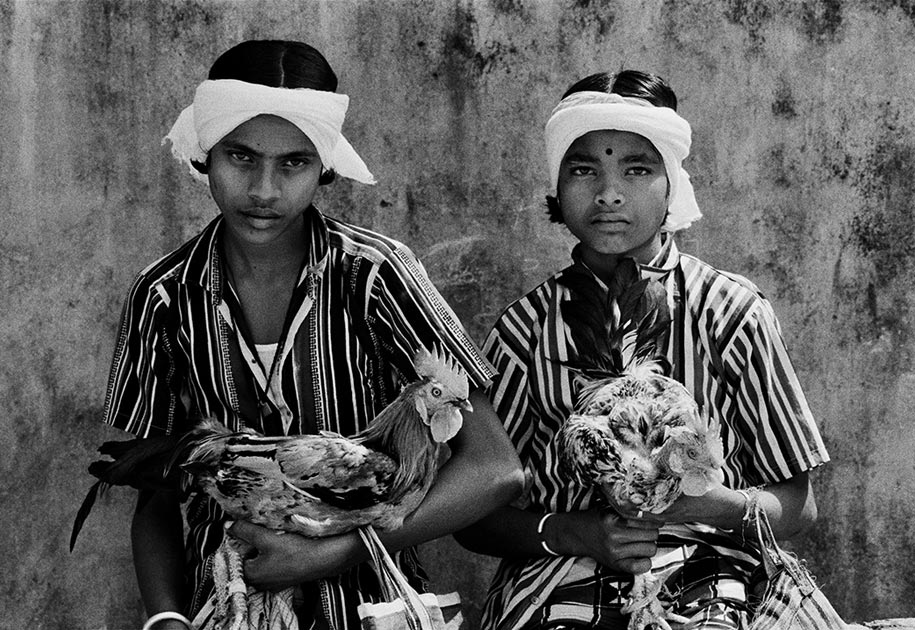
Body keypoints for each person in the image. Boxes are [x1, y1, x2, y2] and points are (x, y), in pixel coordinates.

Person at [102, 39, 524, 630]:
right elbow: (155, 489)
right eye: (241, 157)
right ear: (206, 153)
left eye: (293, 163)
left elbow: (494, 468)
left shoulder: (378, 274)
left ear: (323, 166)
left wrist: (335, 550)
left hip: (367, 610)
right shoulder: (164, 295)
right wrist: (166, 618)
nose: (265, 191)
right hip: (225, 607)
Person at [455, 70, 830, 629]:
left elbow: (799, 506)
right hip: (560, 575)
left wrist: (701, 505)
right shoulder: (525, 330)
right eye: (584, 169)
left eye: (637, 169)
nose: (608, 193)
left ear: (671, 184)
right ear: (558, 186)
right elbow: (476, 516)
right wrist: (574, 532)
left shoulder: (731, 313)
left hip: (724, 571)